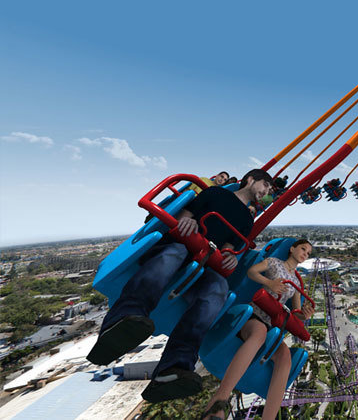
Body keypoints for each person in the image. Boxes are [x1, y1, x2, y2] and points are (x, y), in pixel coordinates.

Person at [88, 169, 273, 403]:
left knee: (218, 289)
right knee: (174, 254)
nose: (266, 192)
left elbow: (230, 245)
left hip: (203, 265)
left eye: (269, 190)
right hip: (180, 245)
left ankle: (173, 368)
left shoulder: (247, 219)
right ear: (250, 180)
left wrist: (230, 256)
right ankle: (123, 318)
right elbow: (187, 213)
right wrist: (186, 221)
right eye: (265, 185)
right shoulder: (215, 194)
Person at [200, 240, 315, 420]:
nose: (305, 254)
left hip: (272, 323)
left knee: (285, 357)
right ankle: (219, 401)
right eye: (303, 249)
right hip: (253, 314)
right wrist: (270, 283)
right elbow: (252, 272)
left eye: (308, 253)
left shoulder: (296, 281)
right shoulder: (274, 262)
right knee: (259, 332)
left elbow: (296, 312)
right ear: (292, 249)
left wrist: (304, 315)